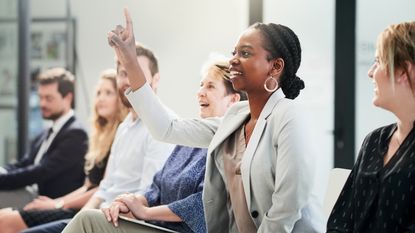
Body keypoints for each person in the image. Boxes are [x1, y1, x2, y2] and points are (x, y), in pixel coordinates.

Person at [103, 9, 324, 233]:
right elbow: (166, 129)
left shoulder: (290, 117)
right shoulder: (236, 117)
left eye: (245, 53)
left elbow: (286, 209)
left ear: (275, 66)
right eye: (234, 52)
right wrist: (130, 60)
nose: (233, 60)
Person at [61, 58, 247, 233]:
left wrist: (145, 212)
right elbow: (156, 186)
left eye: (210, 86)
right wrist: (131, 202)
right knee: (89, 220)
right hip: (157, 225)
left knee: (87, 221)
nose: (200, 92)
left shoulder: (230, 146)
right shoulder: (190, 140)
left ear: (233, 100)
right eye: (201, 85)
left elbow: (203, 203)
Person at [18, 42, 174, 233]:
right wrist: (77, 221)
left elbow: (149, 196)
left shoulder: (163, 126)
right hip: (99, 214)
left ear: (155, 80)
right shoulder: (125, 127)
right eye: (123, 73)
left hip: (124, 221)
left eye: (136, 72)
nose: (128, 79)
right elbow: (104, 188)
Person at [0, 69, 128, 233]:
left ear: (121, 98)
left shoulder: (89, 134)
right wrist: (57, 203)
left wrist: (57, 204)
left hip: (90, 208)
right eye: (98, 93)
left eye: (108, 93)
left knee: (5, 221)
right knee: (3, 217)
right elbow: (88, 186)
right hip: (77, 204)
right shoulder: (100, 139)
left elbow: (102, 189)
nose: (101, 98)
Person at [327, 21, 415, 233]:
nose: (370, 72)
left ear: (404, 71)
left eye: (378, 61)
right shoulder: (374, 140)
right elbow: (340, 220)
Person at [0, 68, 88, 208]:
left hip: (50, 203)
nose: (42, 104)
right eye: (40, 97)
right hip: (32, 196)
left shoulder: (76, 134)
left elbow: (41, 171)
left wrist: (2, 179)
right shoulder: (47, 132)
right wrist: (3, 170)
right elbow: (25, 163)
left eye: (49, 98)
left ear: (68, 98)